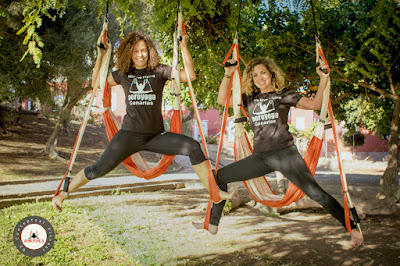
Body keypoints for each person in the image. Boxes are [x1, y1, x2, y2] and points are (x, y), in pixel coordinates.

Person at [52, 30, 235, 212]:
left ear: (150, 52)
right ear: (129, 53)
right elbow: (96, 83)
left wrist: (184, 47)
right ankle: (63, 193)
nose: (140, 55)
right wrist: (100, 55)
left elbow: (189, 76)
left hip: (155, 136)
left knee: (193, 147)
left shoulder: (159, 71)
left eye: (144, 50)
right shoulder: (123, 74)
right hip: (128, 136)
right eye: (136, 51)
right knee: (98, 169)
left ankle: (214, 193)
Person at [193, 57, 364, 247]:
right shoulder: (249, 98)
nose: (260, 78)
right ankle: (213, 223)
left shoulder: (284, 94)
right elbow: (221, 99)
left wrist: (323, 78)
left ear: (272, 74)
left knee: (317, 194)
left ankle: (352, 227)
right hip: (260, 158)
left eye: (263, 72)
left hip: (286, 155)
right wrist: (228, 74)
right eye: (255, 75)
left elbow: (315, 104)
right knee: (219, 177)